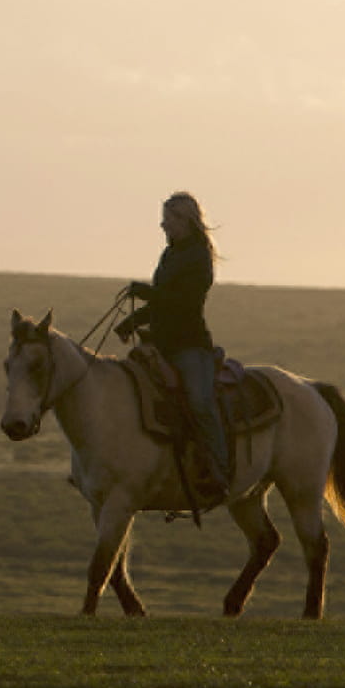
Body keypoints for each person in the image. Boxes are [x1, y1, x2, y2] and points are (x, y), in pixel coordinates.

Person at [114, 192, 227, 499]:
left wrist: (147, 295)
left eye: (170, 219)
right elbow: (164, 301)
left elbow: (184, 303)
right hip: (162, 342)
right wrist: (133, 322)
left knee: (200, 402)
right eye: (165, 218)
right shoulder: (171, 254)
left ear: (186, 220)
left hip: (190, 344)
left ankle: (220, 468)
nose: (163, 225)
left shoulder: (199, 256)